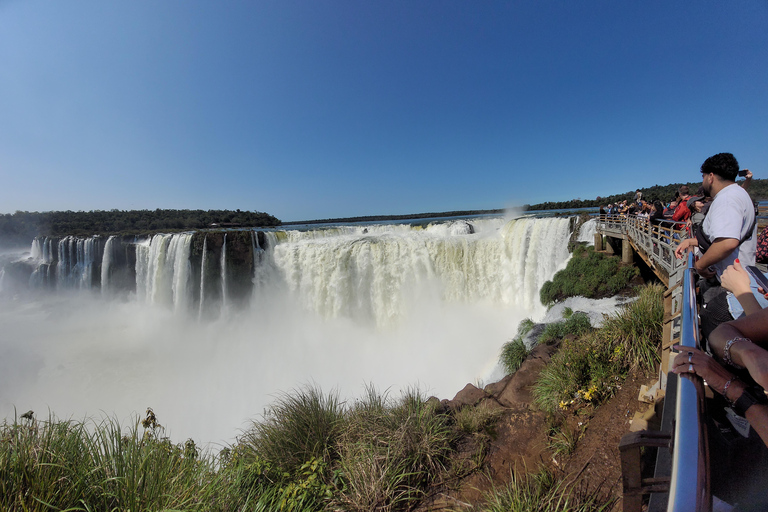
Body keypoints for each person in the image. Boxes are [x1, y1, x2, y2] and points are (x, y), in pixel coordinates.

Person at [674, 153, 758, 339]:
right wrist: (692, 241)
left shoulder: (726, 199)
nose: (703, 181)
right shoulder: (738, 194)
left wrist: (700, 265)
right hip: (737, 277)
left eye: (703, 177)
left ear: (710, 176)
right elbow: (724, 236)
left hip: (730, 282)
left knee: (719, 332)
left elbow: (728, 242)